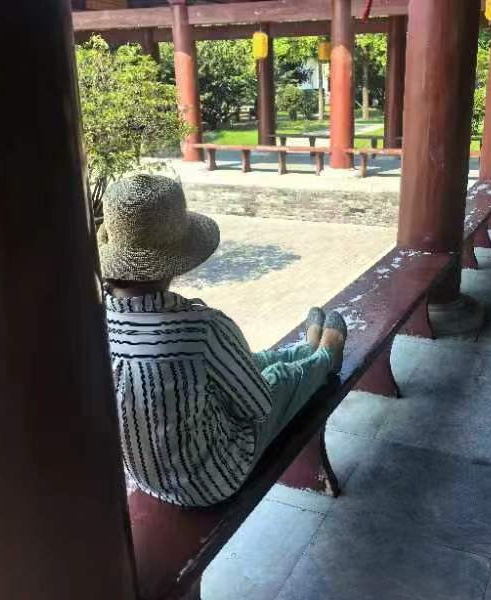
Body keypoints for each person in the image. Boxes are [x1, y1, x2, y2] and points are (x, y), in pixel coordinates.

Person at [97, 174, 347, 508]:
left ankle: (302, 349)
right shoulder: (201, 327)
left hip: (148, 480)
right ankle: (325, 356)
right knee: (278, 380)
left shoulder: (96, 326)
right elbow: (259, 406)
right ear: (176, 264)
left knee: (247, 362)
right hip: (214, 477)